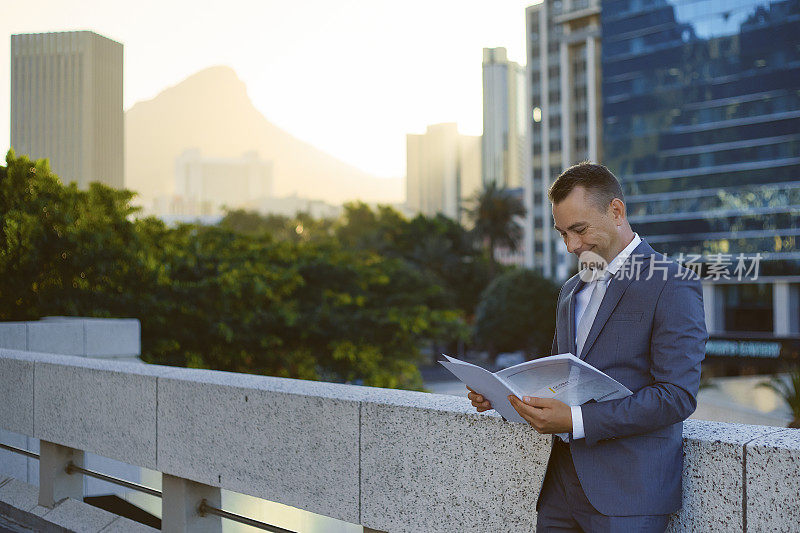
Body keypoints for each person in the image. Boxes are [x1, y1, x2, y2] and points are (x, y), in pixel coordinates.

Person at [468, 162, 707, 532]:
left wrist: (576, 420)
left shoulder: (672, 282)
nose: (572, 246)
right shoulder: (570, 291)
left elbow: (677, 396)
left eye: (578, 230)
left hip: (628, 496)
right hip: (559, 492)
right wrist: (503, 395)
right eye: (563, 233)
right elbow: (556, 378)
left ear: (616, 211)